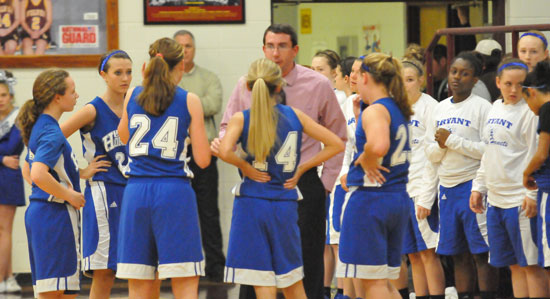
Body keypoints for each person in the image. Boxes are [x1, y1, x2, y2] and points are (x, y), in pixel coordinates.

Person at [213, 23, 347, 299]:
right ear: (264, 49)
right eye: (270, 46)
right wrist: (300, 167)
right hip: (287, 188)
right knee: (292, 275)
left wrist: (324, 183)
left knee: (267, 271)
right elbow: (336, 142)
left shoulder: (318, 84)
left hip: (268, 188)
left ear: (295, 49)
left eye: (282, 45)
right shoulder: (294, 115)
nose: (276, 52)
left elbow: (225, 148)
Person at [116, 37, 211, 299]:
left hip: (136, 192)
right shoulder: (190, 99)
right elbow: (203, 160)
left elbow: (124, 136)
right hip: (173, 192)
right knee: (184, 280)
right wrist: (190, 140)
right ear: (181, 66)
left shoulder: (132, 95)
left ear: (146, 66)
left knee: (141, 284)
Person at [336, 53, 412, 299]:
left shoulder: (376, 111)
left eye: (358, 75)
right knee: (385, 283)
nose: (354, 79)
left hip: (371, 201)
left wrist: (366, 155)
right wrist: (360, 120)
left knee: (372, 286)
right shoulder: (396, 108)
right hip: (395, 198)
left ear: (366, 77)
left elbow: (379, 145)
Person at [470, 58, 549, 299]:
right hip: (496, 200)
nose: (514, 90)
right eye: (508, 84)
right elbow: (488, 152)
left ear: (529, 87)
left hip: (520, 201)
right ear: (497, 83)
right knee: (513, 265)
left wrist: (531, 194)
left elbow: (539, 156)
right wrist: (478, 186)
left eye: (520, 84)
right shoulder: (494, 107)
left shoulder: (531, 112)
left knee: (531, 266)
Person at [60, 50, 133, 299]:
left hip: (133, 192)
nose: (125, 78)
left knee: (141, 269)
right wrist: (80, 171)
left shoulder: (135, 107)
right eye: (118, 72)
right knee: (105, 272)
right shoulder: (93, 109)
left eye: (129, 72)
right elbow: (52, 138)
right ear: (103, 75)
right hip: (104, 192)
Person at [425, 52, 497, 299]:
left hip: (472, 186)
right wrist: (442, 145)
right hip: (446, 187)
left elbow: (489, 151)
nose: (457, 77)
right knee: (457, 254)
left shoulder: (483, 108)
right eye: (454, 71)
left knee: (480, 253)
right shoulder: (440, 108)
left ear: (475, 79)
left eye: (464, 73)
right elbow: (431, 154)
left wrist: (452, 141)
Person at [17, 68, 84, 298]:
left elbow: (28, 168)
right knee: (53, 293)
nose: (77, 96)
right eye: (73, 91)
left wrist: (81, 173)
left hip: (45, 215)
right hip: (53, 218)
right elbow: (36, 173)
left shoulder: (43, 126)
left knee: (62, 292)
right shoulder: (51, 132)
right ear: (57, 97)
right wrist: (68, 195)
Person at [173, 29, 225, 281]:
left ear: (194, 48)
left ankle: (215, 267)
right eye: (180, 46)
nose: (185, 50)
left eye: (189, 46)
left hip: (202, 151)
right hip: (173, 154)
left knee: (208, 211)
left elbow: (213, 104)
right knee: (176, 210)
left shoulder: (209, 77)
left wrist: (182, 103)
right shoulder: (168, 80)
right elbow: (195, 106)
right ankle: (177, 265)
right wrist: (194, 104)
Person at [401, 58, 446, 299]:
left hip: (422, 189)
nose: (405, 85)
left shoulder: (431, 107)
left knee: (428, 252)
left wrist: (427, 197)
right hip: (401, 190)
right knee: (412, 255)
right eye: (401, 80)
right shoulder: (393, 108)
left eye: (410, 80)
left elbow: (434, 157)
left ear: (421, 80)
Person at [522, 60, 550, 271]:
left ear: (531, 92)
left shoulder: (546, 110)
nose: (529, 109)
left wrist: (526, 173)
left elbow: (541, 154)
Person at [0, 70, 23, 293]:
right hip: (3, 170)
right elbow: (4, 154)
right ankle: (6, 277)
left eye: (4, 95)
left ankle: (4, 279)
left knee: (5, 230)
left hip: (8, 179)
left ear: (11, 96)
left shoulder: (17, 118)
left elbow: (12, 148)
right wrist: (1, 159)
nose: (1, 99)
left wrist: (4, 157)